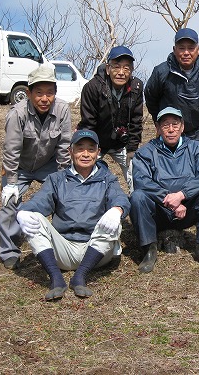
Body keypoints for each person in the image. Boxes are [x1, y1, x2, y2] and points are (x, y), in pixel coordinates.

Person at [15, 129, 131, 301]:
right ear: (70, 152)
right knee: (32, 218)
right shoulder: (56, 179)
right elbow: (39, 201)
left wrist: (117, 210)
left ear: (98, 153)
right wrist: (22, 213)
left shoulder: (108, 179)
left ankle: (81, 276)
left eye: (91, 149)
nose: (85, 154)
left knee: (114, 218)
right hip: (62, 251)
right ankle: (56, 278)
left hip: (96, 251)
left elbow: (121, 199)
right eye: (80, 148)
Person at [130, 107, 199, 273]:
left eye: (175, 124)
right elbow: (141, 181)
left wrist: (182, 195)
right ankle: (149, 251)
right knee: (137, 197)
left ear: (182, 127)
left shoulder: (195, 148)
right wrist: (170, 201)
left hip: (187, 210)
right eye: (165, 125)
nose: (171, 129)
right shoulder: (146, 151)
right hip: (159, 211)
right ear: (158, 128)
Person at [0, 65, 71, 270]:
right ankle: (9, 250)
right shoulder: (17, 114)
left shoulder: (63, 109)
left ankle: (64, 241)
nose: (44, 98)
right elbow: (11, 149)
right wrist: (11, 182)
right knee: (9, 203)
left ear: (55, 93)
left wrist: (63, 176)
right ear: (29, 93)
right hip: (19, 166)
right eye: (39, 93)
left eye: (49, 93)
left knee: (64, 195)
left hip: (48, 165)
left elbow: (65, 145)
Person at [144, 28, 199, 158]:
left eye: (191, 48)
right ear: (174, 50)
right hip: (170, 134)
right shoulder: (161, 72)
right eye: (181, 48)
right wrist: (162, 124)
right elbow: (151, 98)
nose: (186, 53)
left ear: (198, 50)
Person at [78, 45, 144, 191]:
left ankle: (136, 207)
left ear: (132, 70)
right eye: (116, 67)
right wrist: (90, 148)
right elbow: (88, 122)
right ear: (108, 69)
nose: (121, 72)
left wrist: (132, 148)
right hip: (97, 141)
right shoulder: (93, 87)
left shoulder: (137, 87)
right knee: (82, 175)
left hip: (122, 143)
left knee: (137, 176)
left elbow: (136, 120)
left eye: (126, 68)